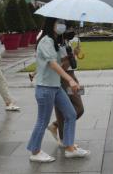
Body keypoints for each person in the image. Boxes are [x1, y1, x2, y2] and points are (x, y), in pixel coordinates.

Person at [27, 17, 90, 163]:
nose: (62, 26)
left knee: (71, 113)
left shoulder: (56, 41)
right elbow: (53, 64)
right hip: (46, 88)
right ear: (51, 25)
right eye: (59, 23)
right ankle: (35, 151)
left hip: (56, 86)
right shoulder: (46, 41)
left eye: (63, 23)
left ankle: (69, 148)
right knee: (42, 121)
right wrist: (70, 80)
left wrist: (73, 54)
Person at [47, 28, 85, 147]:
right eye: (69, 27)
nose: (71, 30)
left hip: (72, 76)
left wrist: (75, 53)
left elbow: (71, 63)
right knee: (79, 108)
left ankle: (61, 134)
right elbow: (59, 67)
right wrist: (71, 55)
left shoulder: (66, 42)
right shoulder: (55, 44)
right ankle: (59, 130)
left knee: (62, 109)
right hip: (65, 79)